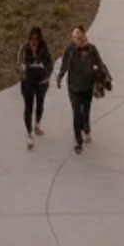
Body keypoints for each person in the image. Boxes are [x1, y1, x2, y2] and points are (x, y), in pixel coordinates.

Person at [56, 25, 110, 154]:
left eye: (83, 37)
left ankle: (86, 129)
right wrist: (60, 77)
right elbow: (64, 65)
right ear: (73, 40)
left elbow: (100, 63)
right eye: (79, 38)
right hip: (74, 87)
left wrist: (106, 78)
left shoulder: (91, 49)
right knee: (76, 114)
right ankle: (78, 141)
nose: (82, 40)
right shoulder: (70, 50)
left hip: (87, 86)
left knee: (86, 111)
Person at [16, 26, 52, 150]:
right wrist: (22, 71)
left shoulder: (44, 49)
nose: (34, 41)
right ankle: (29, 132)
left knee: (40, 104)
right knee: (28, 106)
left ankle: (37, 124)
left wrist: (47, 75)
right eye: (31, 38)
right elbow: (18, 64)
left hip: (41, 82)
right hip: (28, 83)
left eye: (36, 38)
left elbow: (49, 64)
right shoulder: (24, 49)